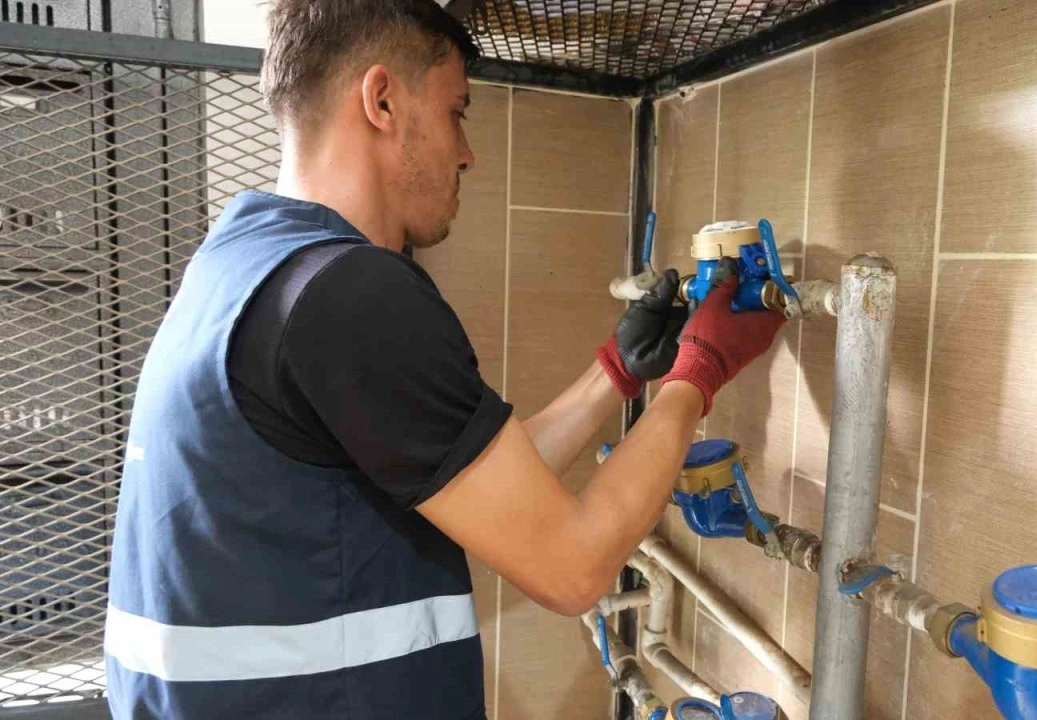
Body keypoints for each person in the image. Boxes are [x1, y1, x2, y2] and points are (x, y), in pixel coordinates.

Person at [103, 1, 785, 718]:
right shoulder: (348, 293)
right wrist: (700, 370)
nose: (466, 153)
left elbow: (481, 484)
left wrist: (615, 371)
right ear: (381, 100)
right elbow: (574, 568)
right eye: (456, 112)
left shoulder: (241, 266)